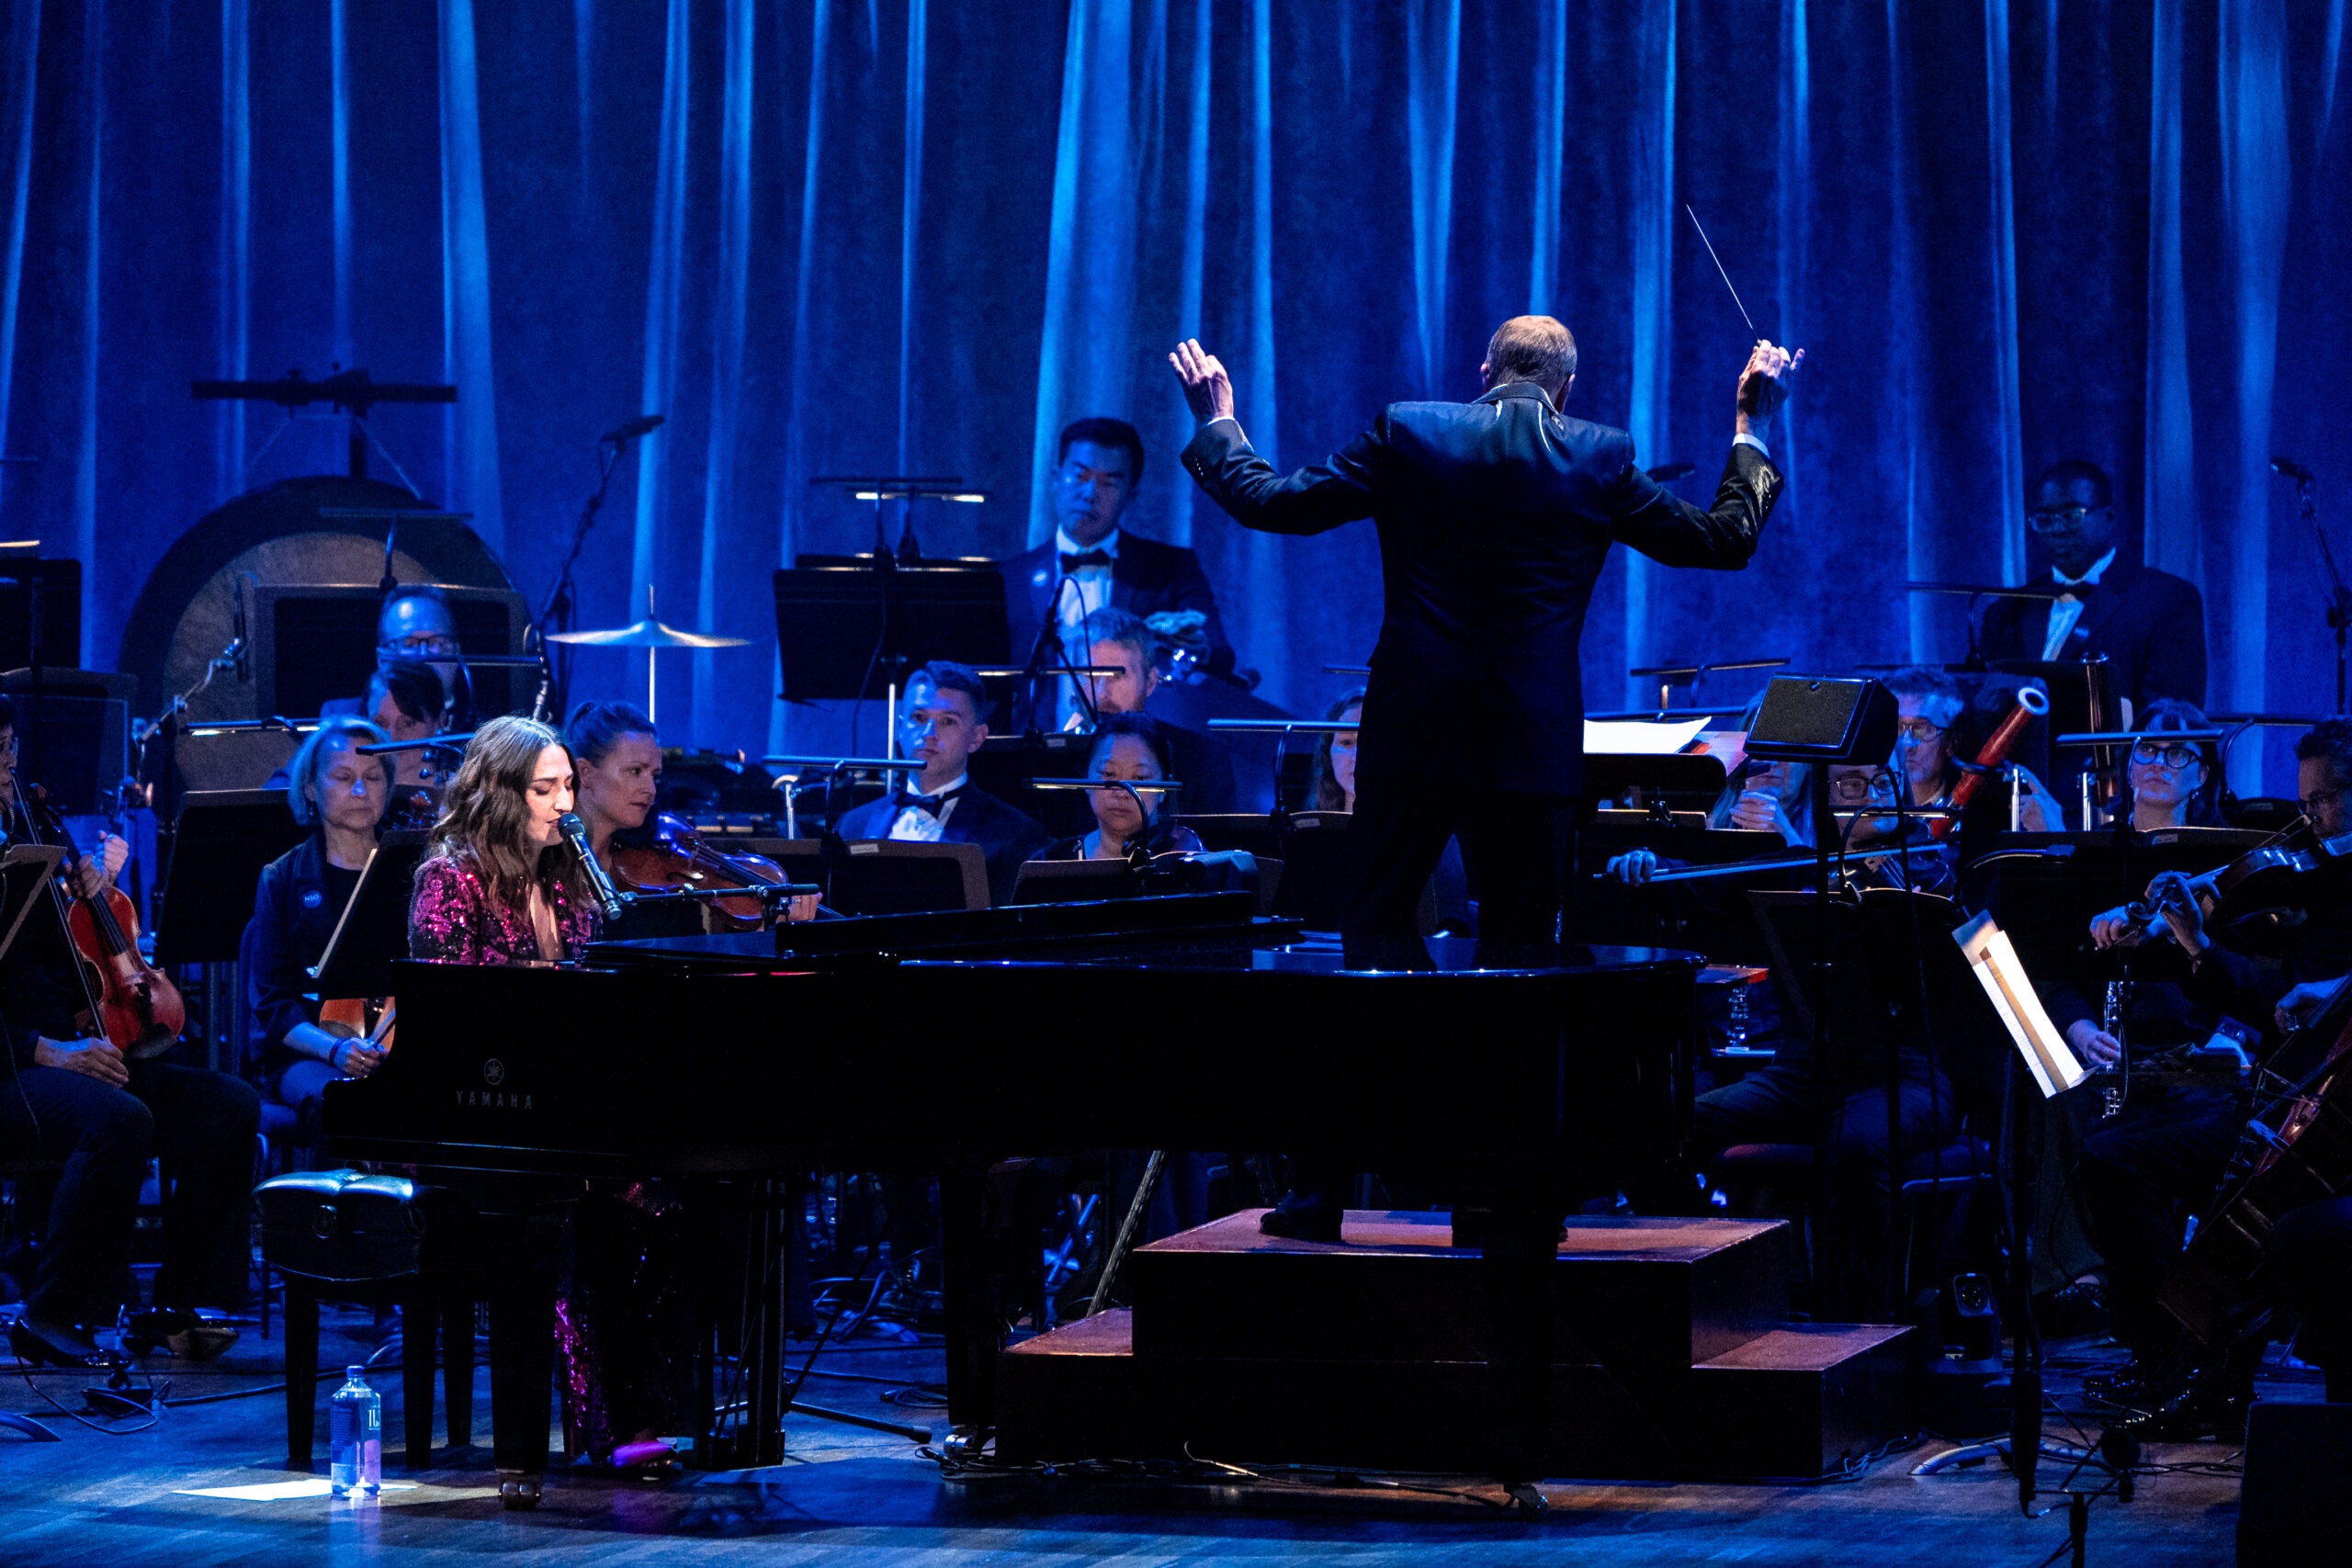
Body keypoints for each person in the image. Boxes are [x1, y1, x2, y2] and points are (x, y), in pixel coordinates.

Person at [1173, 316, 1796, 980]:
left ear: (1484, 375)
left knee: (1374, 933)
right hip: (1530, 744)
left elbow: (1271, 503)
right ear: (1568, 390)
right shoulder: (1600, 455)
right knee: (1523, 953)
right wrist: (1749, 426)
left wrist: (1220, 422)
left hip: (1410, 735)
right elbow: (1724, 540)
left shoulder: (1407, 431)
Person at [2064, 719, 2352, 1433]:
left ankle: (2203, 1367)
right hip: (2288, 1104)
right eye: (2305, 799)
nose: (2308, 818)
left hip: (2324, 1117)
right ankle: (2164, 1353)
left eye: (2324, 800)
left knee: (2227, 1199)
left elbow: (2279, 1001)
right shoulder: (2318, 866)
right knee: (2110, 1155)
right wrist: (2160, 926)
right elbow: (2266, 961)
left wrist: (2197, 942)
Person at [0, 698, 260, 1367]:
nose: (6, 769)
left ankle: (181, 1301)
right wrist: (50, 1049)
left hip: (70, 1045)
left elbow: (68, 961)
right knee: (119, 1120)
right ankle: (54, 1309)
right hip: (14, 1059)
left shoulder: (26, 831)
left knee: (228, 1106)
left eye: (8, 751)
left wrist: (91, 891)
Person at [1002, 416, 1236, 726]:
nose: (1089, 494)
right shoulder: (1010, 577)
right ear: (1056, 478)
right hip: (1032, 757)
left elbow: (1220, 655)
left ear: (1132, 492)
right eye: (1080, 475)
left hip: (1135, 753)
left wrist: (1197, 649)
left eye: (1109, 481)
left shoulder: (1170, 568)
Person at [242, 716, 393, 1145]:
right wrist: (336, 1050)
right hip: (306, 1051)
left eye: (373, 777)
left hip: (390, 1040)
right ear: (311, 788)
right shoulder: (281, 878)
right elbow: (274, 1005)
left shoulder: (411, 868)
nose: (360, 790)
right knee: (345, 1103)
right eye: (344, 777)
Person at [1978, 459, 2207, 710]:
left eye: (2071, 516)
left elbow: (2172, 718)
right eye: (2044, 519)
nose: (2057, 529)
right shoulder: (2006, 610)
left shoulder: (2166, 600)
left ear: (2109, 518)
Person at [832, 662, 1050, 908]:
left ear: (977, 737)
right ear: (900, 728)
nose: (929, 732)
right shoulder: (852, 825)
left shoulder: (1015, 834)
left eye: (947, 721)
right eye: (919, 717)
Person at [408, 715, 598, 966]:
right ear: (499, 797)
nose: (565, 804)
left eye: (569, 785)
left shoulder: (569, 881)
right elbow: (442, 996)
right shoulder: (450, 879)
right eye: (543, 790)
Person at [1069, 606, 1239, 814]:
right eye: (1091, 675)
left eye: (1117, 676)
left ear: (1150, 682)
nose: (1102, 692)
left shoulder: (1201, 760)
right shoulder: (1053, 759)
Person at [1037, 712, 1204, 863]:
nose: (1122, 792)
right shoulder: (1051, 861)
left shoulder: (1186, 860)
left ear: (1164, 789)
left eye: (1140, 777)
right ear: (1085, 779)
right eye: (1109, 774)